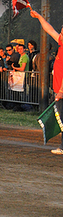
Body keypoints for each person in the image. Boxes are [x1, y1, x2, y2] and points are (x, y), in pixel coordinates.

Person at [30, 9, 63, 155]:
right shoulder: (62, 45)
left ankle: (62, 147)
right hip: (59, 90)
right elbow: (49, 29)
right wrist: (39, 17)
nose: (60, 34)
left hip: (62, 91)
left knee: (62, 119)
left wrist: (61, 91)